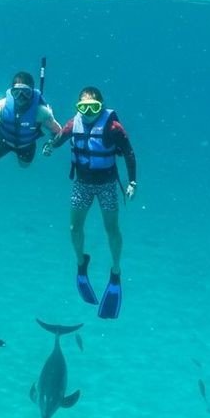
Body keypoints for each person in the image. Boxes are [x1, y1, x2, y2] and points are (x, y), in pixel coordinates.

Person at [42, 86, 137, 319]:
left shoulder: (113, 127)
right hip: (82, 183)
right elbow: (60, 138)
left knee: (111, 229)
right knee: (75, 228)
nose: (87, 112)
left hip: (106, 185)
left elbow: (129, 153)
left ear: (101, 107)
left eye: (93, 107)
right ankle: (81, 262)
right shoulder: (73, 123)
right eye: (82, 107)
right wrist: (50, 146)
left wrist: (132, 182)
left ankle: (115, 271)